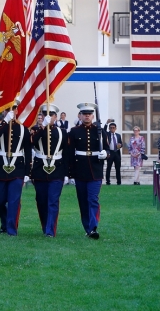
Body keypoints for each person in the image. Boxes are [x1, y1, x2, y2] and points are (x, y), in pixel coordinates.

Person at [0, 103, 31, 236]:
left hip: (17, 166)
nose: (10, 111)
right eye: (7, 109)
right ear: (3, 111)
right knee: (0, 200)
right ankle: (4, 222)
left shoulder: (24, 129)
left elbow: (28, 151)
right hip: (0, 166)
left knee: (14, 200)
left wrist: (27, 172)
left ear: (18, 110)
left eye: (13, 109)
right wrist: (5, 122)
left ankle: (12, 228)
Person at [68, 102, 109, 239]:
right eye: (84, 114)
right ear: (80, 115)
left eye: (89, 114)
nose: (87, 116)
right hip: (80, 170)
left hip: (95, 170)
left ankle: (93, 227)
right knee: (83, 201)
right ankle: (87, 227)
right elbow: (70, 153)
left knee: (93, 199)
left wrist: (106, 154)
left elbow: (108, 149)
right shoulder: (74, 131)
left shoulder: (100, 131)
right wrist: (70, 173)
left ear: (93, 116)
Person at [31, 104, 68, 237]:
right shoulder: (35, 130)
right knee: (41, 200)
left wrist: (67, 173)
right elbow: (31, 142)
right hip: (40, 169)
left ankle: (50, 230)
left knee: (53, 200)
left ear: (55, 117)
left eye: (51, 115)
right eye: (45, 114)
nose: (49, 117)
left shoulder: (62, 131)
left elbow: (67, 152)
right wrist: (42, 127)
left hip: (57, 169)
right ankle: (45, 224)